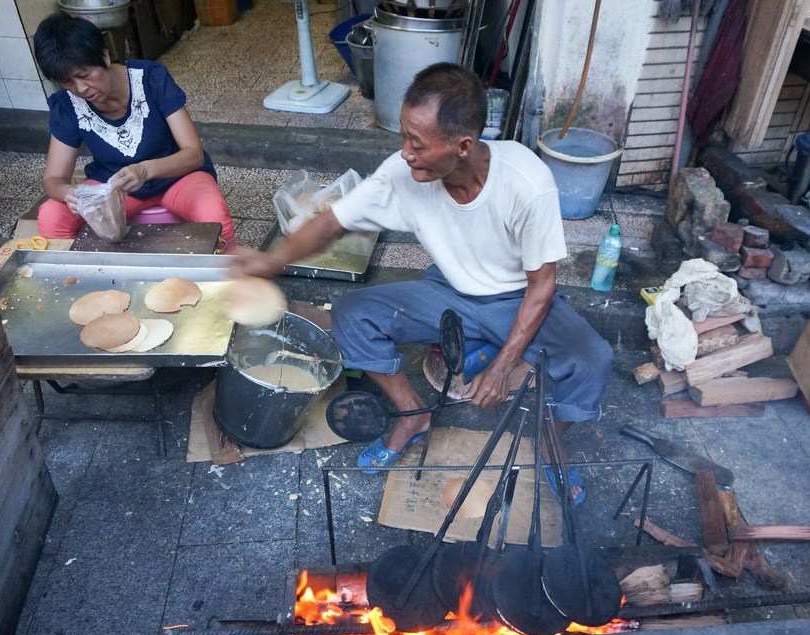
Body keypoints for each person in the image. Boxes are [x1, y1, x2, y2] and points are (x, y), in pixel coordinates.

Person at [231, 63, 612, 502]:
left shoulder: (527, 182)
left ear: (463, 146)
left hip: (518, 297)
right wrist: (271, 260)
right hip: (448, 293)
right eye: (404, 137)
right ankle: (412, 416)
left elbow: (542, 285)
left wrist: (503, 366)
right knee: (354, 315)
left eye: (418, 142)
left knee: (594, 359)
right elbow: (333, 221)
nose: (405, 152)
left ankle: (550, 440)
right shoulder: (401, 173)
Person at [32, 13, 236, 252]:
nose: (80, 88)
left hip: (177, 179)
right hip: (114, 190)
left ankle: (228, 280)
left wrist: (145, 170)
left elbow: (193, 154)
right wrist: (69, 192)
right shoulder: (66, 105)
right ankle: (76, 280)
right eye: (68, 82)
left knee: (214, 215)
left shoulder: (151, 79)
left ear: (105, 57)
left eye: (85, 76)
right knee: (51, 216)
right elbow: (53, 179)